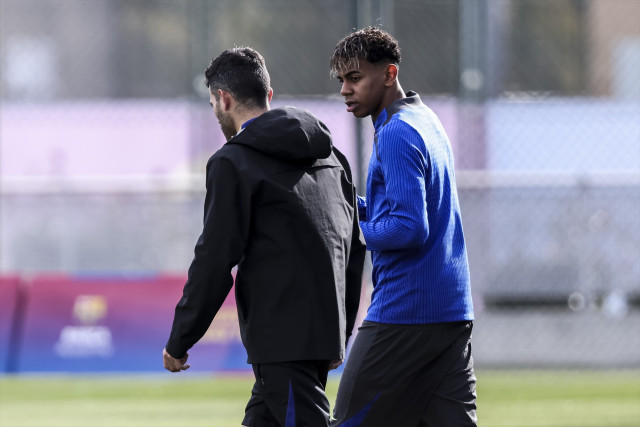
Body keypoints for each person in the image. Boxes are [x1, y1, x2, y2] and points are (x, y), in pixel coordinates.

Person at [163, 47, 366, 427]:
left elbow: (214, 260)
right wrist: (341, 329)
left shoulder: (232, 162)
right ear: (268, 96)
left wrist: (180, 340)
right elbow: (352, 244)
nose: (215, 113)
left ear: (224, 99)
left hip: (281, 340)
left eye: (212, 105)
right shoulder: (333, 156)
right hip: (318, 333)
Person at [328, 27, 477, 426]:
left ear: (389, 74)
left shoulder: (395, 133)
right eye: (342, 80)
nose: (345, 89)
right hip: (452, 311)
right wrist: (342, 203)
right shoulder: (425, 118)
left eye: (355, 78)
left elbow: (409, 227)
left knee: (346, 421)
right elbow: (396, 210)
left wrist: (352, 227)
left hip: (406, 312)